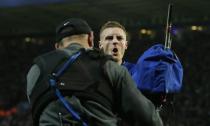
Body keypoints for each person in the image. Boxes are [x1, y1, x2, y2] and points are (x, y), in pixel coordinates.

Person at [26, 18, 163, 126]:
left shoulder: (35, 71)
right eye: (109, 38)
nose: (115, 42)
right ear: (91, 39)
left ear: (57, 47)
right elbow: (148, 119)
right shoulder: (109, 67)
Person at [99, 21, 183, 124]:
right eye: (109, 38)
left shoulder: (139, 73)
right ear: (100, 45)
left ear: (125, 45)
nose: (115, 41)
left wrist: (161, 82)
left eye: (120, 38)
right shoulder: (90, 73)